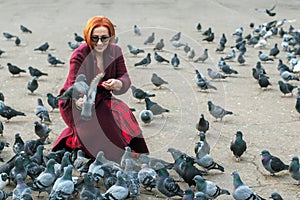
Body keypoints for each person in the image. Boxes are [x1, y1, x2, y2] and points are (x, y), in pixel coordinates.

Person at [52, 16, 149, 162]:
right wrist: (80, 101)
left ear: (111, 37)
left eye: (104, 38)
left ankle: (123, 149)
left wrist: (118, 83)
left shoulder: (116, 51)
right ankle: (111, 153)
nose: (99, 43)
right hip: (74, 102)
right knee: (104, 123)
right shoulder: (79, 55)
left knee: (123, 112)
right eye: (94, 38)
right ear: (87, 37)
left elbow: (125, 77)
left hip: (101, 96)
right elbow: (75, 84)